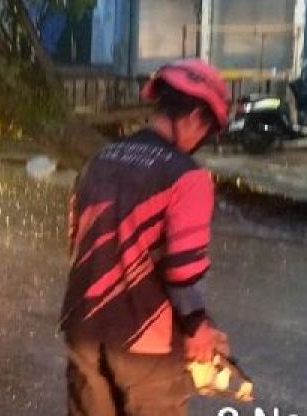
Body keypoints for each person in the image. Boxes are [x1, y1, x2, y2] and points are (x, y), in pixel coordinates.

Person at [60, 58, 231, 416]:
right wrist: (198, 328)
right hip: (145, 350)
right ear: (194, 118)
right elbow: (184, 271)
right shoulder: (187, 177)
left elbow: (75, 241)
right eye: (205, 131)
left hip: (84, 332)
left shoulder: (97, 160)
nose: (199, 142)